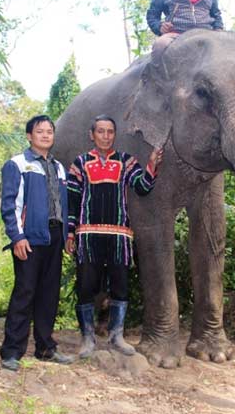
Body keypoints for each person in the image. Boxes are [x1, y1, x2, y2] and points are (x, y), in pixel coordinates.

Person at [66, 115, 163, 358]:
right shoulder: (79, 163)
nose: (106, 136)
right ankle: (87, 338)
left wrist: (151, 164)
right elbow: (72, 200)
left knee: (120, 286)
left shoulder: (126, 161)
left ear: (114, 135)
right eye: (101, 131)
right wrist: (70, 233)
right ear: (92, 134)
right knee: (86, 286)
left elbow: (142, 187)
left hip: (119, 235)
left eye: (110, 131)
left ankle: (116, 336)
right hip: (88, 234)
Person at [0, 115, 74, 371]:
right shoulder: (17, 164)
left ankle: (45, 348)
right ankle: (11, 352)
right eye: (39, 131)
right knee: (25, 293)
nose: (45, 135)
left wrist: (67, 236)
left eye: (49, 131)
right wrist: (17, 237)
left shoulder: (59, 168)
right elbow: (9, 205)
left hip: (54, 237)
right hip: (29, 239)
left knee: (48, 295)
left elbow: (64, 206)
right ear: (29, 136)